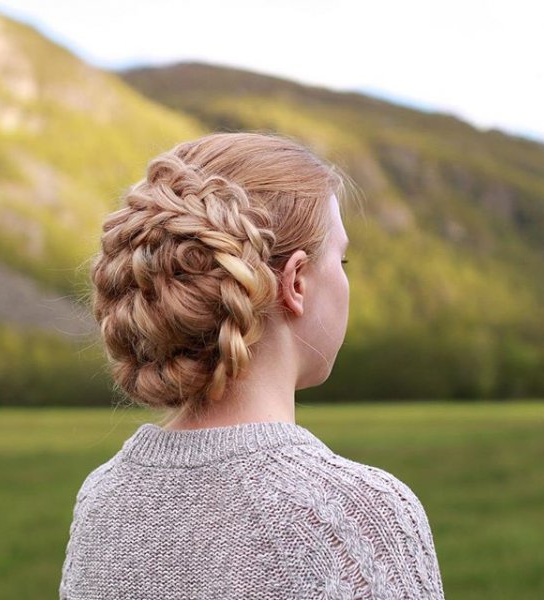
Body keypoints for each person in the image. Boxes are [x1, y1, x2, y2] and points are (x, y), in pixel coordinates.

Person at [59, 131, 446, 599]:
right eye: (341, 260)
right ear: (296, 282)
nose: (345, 279)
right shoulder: (359, 512)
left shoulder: (103, 501)